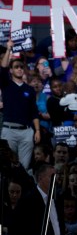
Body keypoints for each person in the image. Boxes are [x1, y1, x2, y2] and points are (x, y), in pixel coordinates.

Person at [1, 40, 41, 172]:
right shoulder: (6, 84)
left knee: (24, 168)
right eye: (16, 67)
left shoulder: (29, 89)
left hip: (26, 132)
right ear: (11, 71)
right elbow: (3, 68)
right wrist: (8, 49)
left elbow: (34, 112)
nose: (19, 69)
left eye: (21, 67)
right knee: (7, 166)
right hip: (9, 130)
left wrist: (37, 130)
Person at [10, 163, 63, 235]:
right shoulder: (27, 201)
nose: (55, 180)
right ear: (40, 178)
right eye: (51, 177)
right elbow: (16, 229)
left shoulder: (57, 200)